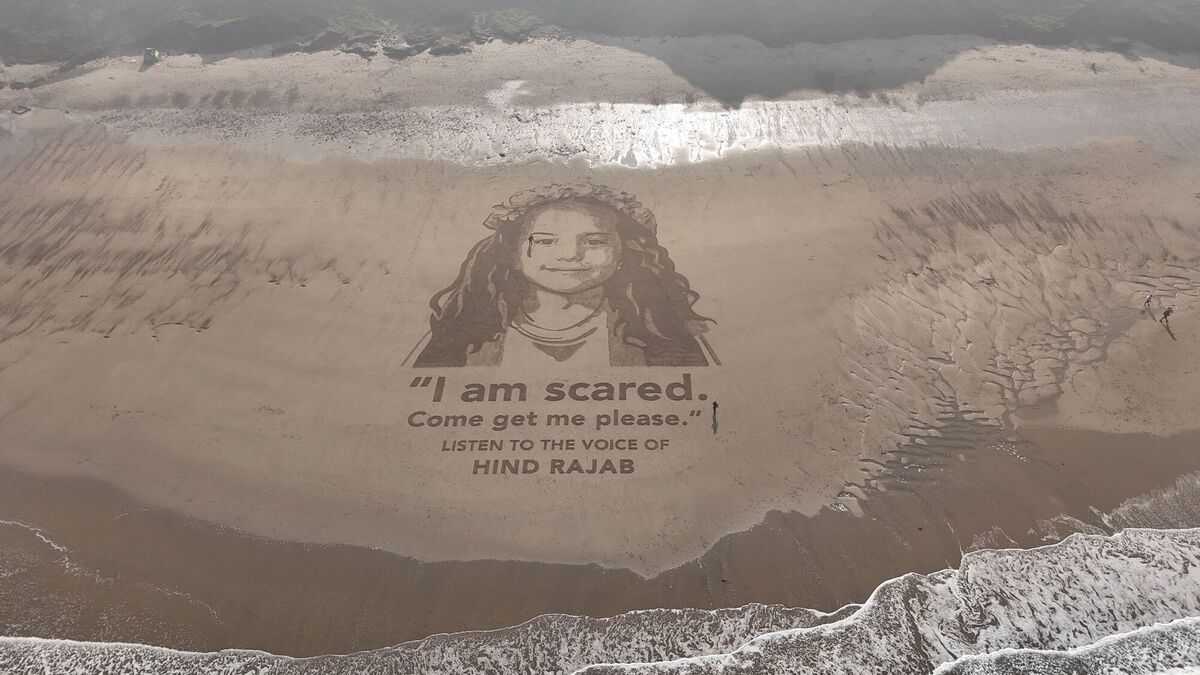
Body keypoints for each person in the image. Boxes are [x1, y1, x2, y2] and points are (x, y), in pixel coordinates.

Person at [408, 183, 717, 367]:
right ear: (513, 254)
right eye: (544, 241)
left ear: (624, 252)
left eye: (594, 241)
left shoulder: (661, 332)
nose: (570, 254)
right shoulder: (460, 333)